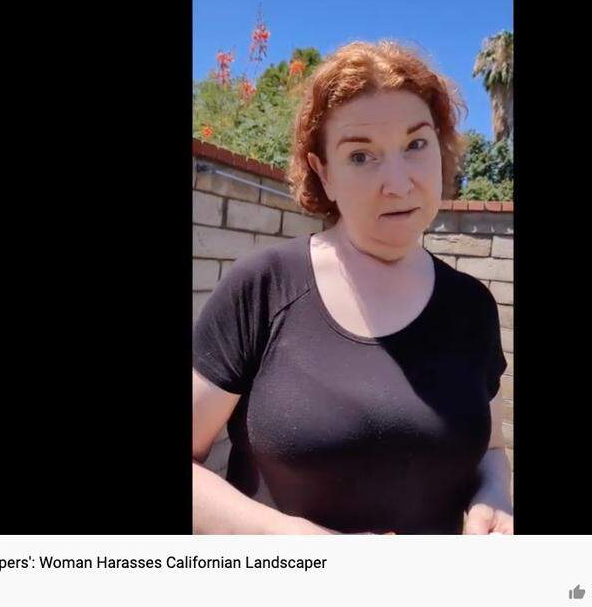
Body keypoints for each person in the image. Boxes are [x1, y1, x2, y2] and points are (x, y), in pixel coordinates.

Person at [192, 40, 511, 535]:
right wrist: (295, 542)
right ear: (325, 173)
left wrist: (495, 496)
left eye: (416, 144)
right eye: (361, 156)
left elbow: (487, 446)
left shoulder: (472, 306)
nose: (399, 183)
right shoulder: (263, 287)